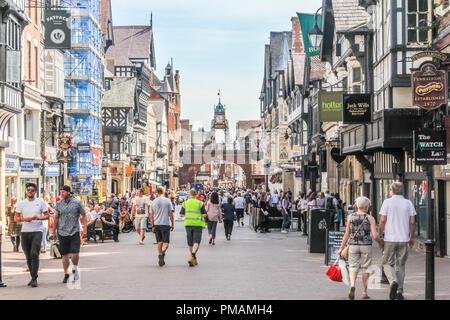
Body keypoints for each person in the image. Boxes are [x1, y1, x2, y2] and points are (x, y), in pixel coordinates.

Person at [338, 196, 382, 300]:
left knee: (353, 267)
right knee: (366, 268)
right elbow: (375, 235)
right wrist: (380, 243)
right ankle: (364, 292)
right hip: (366, 246)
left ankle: (352, 285)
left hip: (353, 245)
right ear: (367, 207)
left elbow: (347, 234)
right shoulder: (370, 218)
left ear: (357, 206)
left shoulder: (350, 217)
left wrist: (341, 247)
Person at [378, 182, 416, 300]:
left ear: (392, 190)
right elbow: (412, 222)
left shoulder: (387, 202)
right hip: (403, 239)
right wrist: (411, 237)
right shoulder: (408, 203)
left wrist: (380, 234)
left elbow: (383, 221)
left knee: (386, 263)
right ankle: (399, 292)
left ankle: (393, 281)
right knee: (401, 265)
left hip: (390, 239)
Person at [15, 183, 49, 287]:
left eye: (32, 190)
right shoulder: (21, 203)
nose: (30, 191)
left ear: (35, 192)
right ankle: (33, 276)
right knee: (28, 256)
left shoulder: (41, 202)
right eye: (28, 190)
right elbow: (16, 218)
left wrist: (38, 218)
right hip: (25, 232)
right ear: (26, 191)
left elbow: (47, 216)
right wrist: (25, 219)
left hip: (37, 231)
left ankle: (34, 279)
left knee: (34, 254)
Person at [53, 185, 87, 284]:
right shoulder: (59, 203)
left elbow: (84, 215)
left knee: (75, 253)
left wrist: (84, 229)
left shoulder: (77, 202)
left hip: (74, 231)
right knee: (65, 255)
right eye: (61, 192)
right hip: (62, 232)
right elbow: (56, 217)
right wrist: (53, 231)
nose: (61, 194)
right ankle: (66, 274)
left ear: (68, 192)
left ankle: (75, 269)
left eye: (63, 192)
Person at [179, 189, 207, 267]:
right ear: (196, 195)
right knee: (196, 241)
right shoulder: (200, 203)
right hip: (198, 224)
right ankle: (193, 254)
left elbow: (181, 215)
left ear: (189, 195)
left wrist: (187, 214)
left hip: (188, 224)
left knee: (190, 242)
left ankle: (192, 257)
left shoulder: (185, 203)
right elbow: (204, 215)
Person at [149, 187, 174, 267]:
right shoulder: (167, 201)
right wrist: (172, 223)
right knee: (166, 242)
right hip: (165, 223)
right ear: (163, 192)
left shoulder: (153, 202)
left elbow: (151, 215)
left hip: (157, 224)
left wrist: (152, 225)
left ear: (156, 192)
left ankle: (159, 254)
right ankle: (162, 253)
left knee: (159, 241)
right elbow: (170, 213)